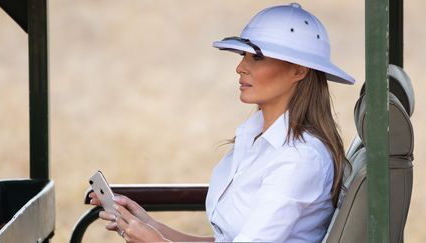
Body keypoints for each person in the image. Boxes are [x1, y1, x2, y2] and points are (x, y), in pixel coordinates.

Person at [90, 3, 355, 242]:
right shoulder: (256, 137)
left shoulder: (300, 159)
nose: (240, 68)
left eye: (257, 57)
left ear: (299, 70)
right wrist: (151, 225)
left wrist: (155, 242)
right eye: (242, 56)